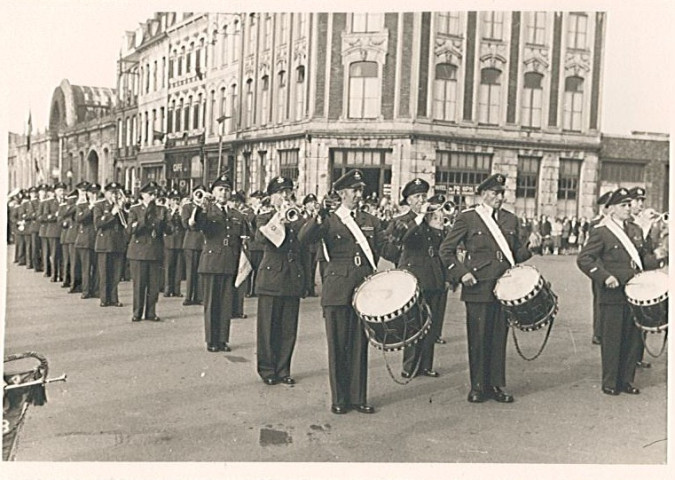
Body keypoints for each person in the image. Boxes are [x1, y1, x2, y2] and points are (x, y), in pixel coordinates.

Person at [439, 173, 532, 403]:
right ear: (482, 194)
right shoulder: (468, 217)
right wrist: (462, 274)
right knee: (479, 337)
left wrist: (532, 248)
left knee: (499, 337)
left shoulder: (511, 220)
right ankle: (478, 386)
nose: (498, 197)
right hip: (477, 286)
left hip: (504, 287)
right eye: (493, 193)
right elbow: (446, 250)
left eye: (501, 193)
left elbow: (516, 255)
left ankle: (497, 385)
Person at [298, 169, 385, 415]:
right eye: (354, 191)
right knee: (338, 346)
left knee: (359, 345)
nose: (359, 195)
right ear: (342, 193)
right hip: (336, 291)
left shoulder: (370, 220)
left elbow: (385, 247)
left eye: (361, 190)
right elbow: (304, 239)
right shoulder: (329, 219)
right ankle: (340, 398)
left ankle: (358, 397)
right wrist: (318, 217)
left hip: (364, 291)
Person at [577, 188, 665, 396]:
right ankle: (610, 381)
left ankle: (627, 380)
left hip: (635, 293)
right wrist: (605, 276)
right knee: (613, 339)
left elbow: (642, 260)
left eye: (629, 205)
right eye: (624, 206)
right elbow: (585, 259)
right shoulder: (601, 231)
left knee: (633, 338)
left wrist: (659, 256)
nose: (628, 209)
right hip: (613, 294)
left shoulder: (634, 230)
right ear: (613, 209)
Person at [254, 176, 308, 385]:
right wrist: (278, 220)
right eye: (280, 193)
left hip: (292, 277)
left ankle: (283, 369)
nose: (285, 196)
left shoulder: (297, 217)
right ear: (271, 196)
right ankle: (267, 369)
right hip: (271, 277)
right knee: (268, 327)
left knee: (288, 328)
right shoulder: (264, 217)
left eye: (288, 192)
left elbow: (304, 242)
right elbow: (260, 238)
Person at [393, 192, 449, 379]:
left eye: (423, 196)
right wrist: (419, 218)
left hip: (433, 277)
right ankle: (410, 366)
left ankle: (426, 365)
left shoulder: (429, 219)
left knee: (430, 324)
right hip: (413, 278)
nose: (421, 200)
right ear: (408, 200)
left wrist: (438, 225)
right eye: (416, 196)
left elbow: (441, 248)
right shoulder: (402, 220)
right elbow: (402, 238)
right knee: (413, 323)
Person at [193, 175, 247, 352]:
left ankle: (223, 339)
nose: (224, 193)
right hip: (211, 261)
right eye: (220, 190)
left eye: (226, 190)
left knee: (225, 304)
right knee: (212, 303)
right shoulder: (208, 211)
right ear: (214, 192)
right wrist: (201, 207)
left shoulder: (236, 214)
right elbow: (198, 224)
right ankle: (211, 340)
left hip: (229, 261)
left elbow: (243, 237)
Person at [127, 181, 171, 322]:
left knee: (154, 285)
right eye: (150, 194)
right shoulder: (135, 210)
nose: (153, 197)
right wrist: (145, 217)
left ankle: (151, 312)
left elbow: (169, 230)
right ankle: (137, 312)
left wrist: (164, 220)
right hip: (139, 252)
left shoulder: (161, 210)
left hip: (155, 250)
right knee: (139, 284)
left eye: (155, 194)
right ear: (143, 195)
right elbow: (131, 230)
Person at [627, 187, 651, 369]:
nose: (640, 205)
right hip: (630, 277)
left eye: (642, 201)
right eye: (637, 201)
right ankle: (630, 357)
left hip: (644, 276)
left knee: (644, 317)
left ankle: (638, 355)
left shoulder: (646, 221)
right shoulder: (627, 224)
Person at [93, 182, 128, 308]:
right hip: (104, 243)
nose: (115, 195)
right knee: (104, 272)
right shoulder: (99, 205)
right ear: (107, 193)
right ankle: (104, 298)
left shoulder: (120, 206)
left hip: (118, 243)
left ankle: (114, 298)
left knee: (116, 273)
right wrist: (112, 213)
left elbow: (126, 223)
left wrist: (122, 209)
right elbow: (98, 223)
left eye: (116, 192)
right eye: (112, 192)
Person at [588, 190, 613, 345]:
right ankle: (598, 332)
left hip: (615, 269)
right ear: (604, 208)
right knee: (600, 301)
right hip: (601, 269)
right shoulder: (596, 224)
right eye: (609, 206)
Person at [75, 182, 99, 299]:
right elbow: (79, 218)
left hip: (97, 239)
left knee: (97, 267)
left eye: (96, 193)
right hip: (85, 240)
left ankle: (95, 290)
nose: (94, 195)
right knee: (86, 267)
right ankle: (86, 290)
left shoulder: (101, 205)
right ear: (87, 194)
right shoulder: (82, 205)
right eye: (91, 193)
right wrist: (90, 207)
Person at [181, 186, 204, 306]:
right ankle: (189, 296)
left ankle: (199, 296)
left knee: (200, 271)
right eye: (197, 193)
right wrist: (197, 208)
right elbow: (187, 224)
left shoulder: (207, 208)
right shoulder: (187, 207)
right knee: (190, 271)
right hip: (191, 242)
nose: (199, 196)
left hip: (203, 243)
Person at [163, 189, 185, 298]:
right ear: (170, 201)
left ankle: (177, 289)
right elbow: (167, 222)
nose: (176, 202)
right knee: (169, 267)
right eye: (174, 199)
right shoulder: (166, 211)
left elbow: (185, 225)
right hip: (169, 242)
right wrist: (172, 211)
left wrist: (180, 212)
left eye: (178, 200)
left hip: (180, 242)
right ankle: (167, 289)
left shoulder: (182, 211)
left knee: (178, 268)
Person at [58, 189, 79, 291]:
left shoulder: (76, 207)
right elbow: (60, 219)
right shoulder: (66, 207)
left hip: (73, 236)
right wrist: (64, 223)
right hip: (67, 236)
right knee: (68, 260)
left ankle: (72, 282)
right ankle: (67, 280)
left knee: (73, 261)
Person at [302, 193, 320, 297]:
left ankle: (311, 289)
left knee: (313, 267)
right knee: (306, 267)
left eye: (314, 202)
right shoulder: (304, 215)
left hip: (315, 246)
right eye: (310, 203)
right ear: (306, 205)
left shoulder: (316, 215)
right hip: (307, 246)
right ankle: (306, 288)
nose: (313, 204)